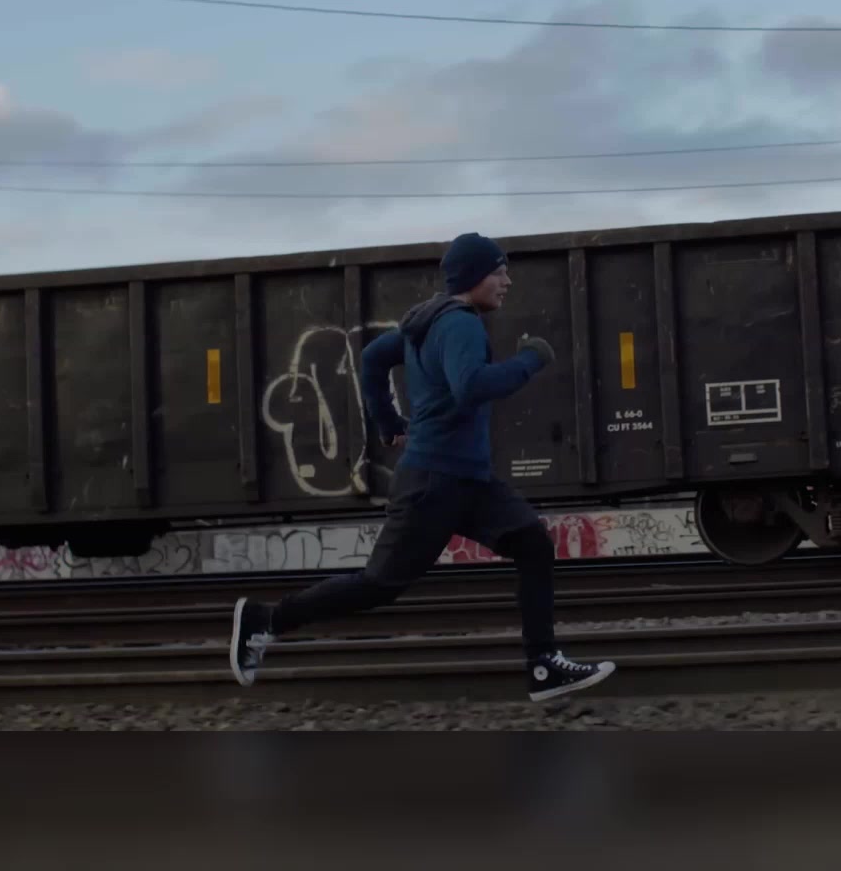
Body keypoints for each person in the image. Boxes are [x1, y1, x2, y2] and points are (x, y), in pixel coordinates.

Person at [228, 232, 617, 702]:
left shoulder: (427, 322)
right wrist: (530, 360)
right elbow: (471, 386)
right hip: (435, 481)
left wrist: (389, 422)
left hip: (467, 479)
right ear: (475, 276)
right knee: (378, 585)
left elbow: (372, 358)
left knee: (533, 543)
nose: (507, 281)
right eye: (499, 272)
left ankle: (543, 665)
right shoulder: (459, 324)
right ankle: (265, 620)